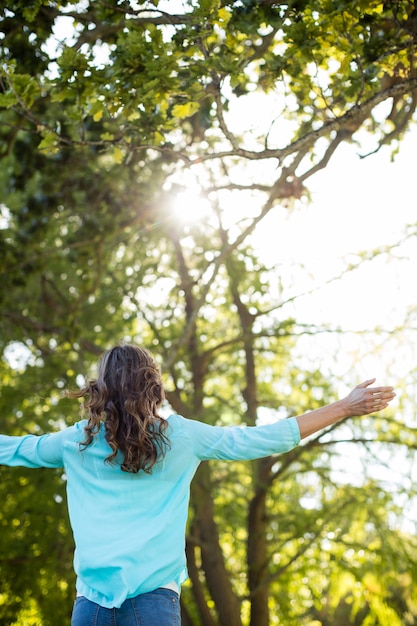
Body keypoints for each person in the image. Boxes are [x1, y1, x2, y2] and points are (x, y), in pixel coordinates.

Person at [0, 344, 395, 626]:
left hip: (92, 606)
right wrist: (344, 406)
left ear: (100, 387)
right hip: (154, 602)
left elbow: (15, 449)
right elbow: (262, 438)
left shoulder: (76, 441)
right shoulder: (181, 437)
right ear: (151, 384)